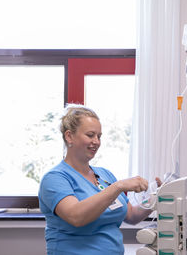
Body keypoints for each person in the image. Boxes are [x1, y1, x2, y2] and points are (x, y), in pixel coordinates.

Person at [38, 104, 160, 255]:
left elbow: (132, 216)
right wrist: (118, 186)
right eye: (90, 135)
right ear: (69, 136)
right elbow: (76, 217)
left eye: (99, 136)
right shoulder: (55, 178)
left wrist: (156, 197)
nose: (96, 141)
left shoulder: (104, 175)